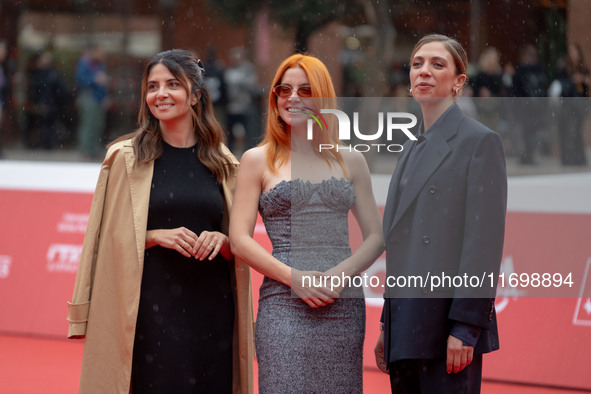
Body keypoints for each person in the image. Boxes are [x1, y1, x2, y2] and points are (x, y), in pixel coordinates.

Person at [67, 49, 254, 394]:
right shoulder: (123, 158)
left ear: (196, 95)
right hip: (148, 314)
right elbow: (101, 240)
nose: (160, 94)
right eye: (152, 86)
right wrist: (152, 236)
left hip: (213, 312)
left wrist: (224, 242)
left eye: (172, 84)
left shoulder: (226, 163)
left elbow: (241, 242)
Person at [229, 54, 384, 393]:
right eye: (284, 90)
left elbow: (376, 237)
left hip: (343, 304)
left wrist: (341, 274)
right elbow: (239, 239)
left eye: (305, 89)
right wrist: (293, 278)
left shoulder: (352, 160)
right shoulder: (256, 160)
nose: (293, 98)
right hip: (283, 304)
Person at [375, 34, 507, 393]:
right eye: (417, 64)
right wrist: (388, 324)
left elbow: (482, 244)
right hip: (405, 327)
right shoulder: (409, 148)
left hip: (447, 330)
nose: (424, 72)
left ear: (459, 82)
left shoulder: (479, 142)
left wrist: (465, 328)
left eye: (437, 64)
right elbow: (400, 249)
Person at [548, 43, 589, 166]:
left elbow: (585, 90)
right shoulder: (564, 69)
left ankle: (579, 157)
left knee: (577, 130)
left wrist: (583, 80)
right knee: (566, 131)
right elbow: (559, 85)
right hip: (567, 104)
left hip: (580, 104)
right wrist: (572, 81)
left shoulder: (583, 69)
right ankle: (567, 158)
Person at [75, 44, 109, 160]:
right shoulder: (86, 63)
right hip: (89, 97)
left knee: (97, 125)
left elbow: (103, 83)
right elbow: (80, 79)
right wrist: (94, 79)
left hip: (99, 99)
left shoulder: (100, 64)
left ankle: (94, 151)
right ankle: (85, 151)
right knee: (88, 125)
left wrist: (105, 97)